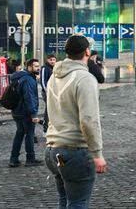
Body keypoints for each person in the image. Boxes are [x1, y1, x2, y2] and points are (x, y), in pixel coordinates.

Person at [45, 34, 107, 208]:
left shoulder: (54, 76)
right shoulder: (84, 79)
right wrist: (97, 154)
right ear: (87, 51)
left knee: (65, 200)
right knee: (78, 202)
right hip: (75, 151)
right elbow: (88, 120)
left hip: (53, 150)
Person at [8, 58, 42, 168]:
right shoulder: (28, 80)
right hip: (25, 112)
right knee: (29, 135)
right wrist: (33, 114)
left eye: (38, 66)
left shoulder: (20, 77)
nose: (38, 68)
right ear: (29, 67)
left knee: (20, 134)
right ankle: (30, 159)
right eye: (36, 66)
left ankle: (13, 159)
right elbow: (29, 97)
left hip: (17, 111)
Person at [39, 54, 57, 133]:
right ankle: (45, 129)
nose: (52, 61)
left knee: (53, 110)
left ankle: (52, 127)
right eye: (51, 60)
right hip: (47, 92)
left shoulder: (55, 68)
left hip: (55, 92)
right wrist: (46, 90)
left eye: (54, 60)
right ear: (47, 60)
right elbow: (43, 81)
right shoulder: (44, 68)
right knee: (49, 110)